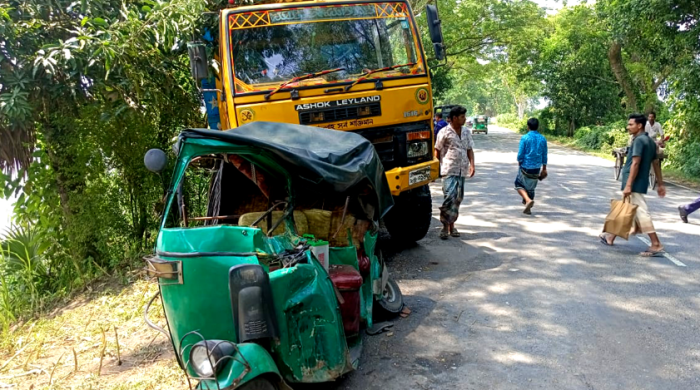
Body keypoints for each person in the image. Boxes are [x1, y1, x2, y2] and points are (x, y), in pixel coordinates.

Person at [599, 114, 667, 257]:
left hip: (634, 182)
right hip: (639, 181)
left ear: (639, 126)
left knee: (641, 211)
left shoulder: (638, 141)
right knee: (627, 208)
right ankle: (611, 237)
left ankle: (656, 243)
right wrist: (660, 183)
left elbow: (635, 163)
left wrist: (628, 185)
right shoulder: (650, 141)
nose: (628, 127)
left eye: (631, 124)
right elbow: (656, 164)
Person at [434, 105, 475, 239]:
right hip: (448, 169)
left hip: (462, 170)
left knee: (458, 198)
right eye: (462, 117)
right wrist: (435, 168)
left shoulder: (466, 132)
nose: (465, 119)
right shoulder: (444, 132)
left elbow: (469, 149)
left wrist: (472, 165)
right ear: (454, 118)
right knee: (449, 197)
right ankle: (445, 226)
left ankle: (452, 226)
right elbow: (437, 150)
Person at [515, 118, 548, 215]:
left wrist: (519, 161)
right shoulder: (542, 138)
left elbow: (520, 154)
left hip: (525, 167)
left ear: (528, 126)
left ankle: (527, 200)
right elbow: (545, 154)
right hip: (536, 168)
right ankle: (528, 208)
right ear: (538, 127)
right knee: (531, 188)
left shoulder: (525, 138)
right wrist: (544, 168)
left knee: (518, 185)